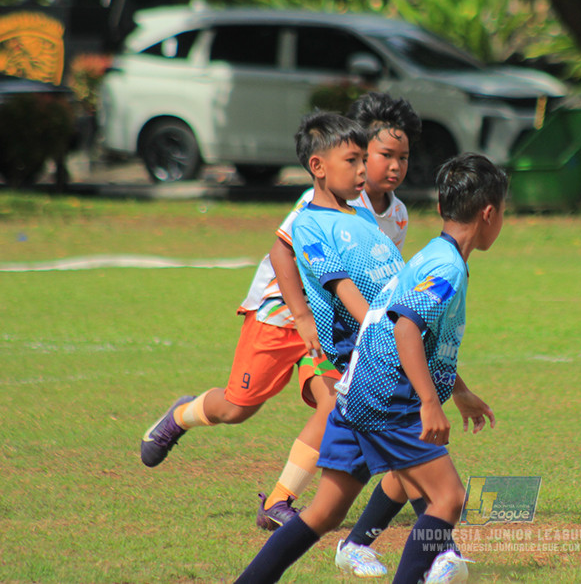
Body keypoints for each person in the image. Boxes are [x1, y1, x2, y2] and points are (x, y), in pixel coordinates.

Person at [139, 95, 421, 577]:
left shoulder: (393, 217)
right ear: (344, 157)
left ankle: (280, 500)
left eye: (401, 157)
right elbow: (283, 252)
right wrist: (302, 316)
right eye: (374, 156)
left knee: (337, 403)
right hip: (281, 314)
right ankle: (181, 414)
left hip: (333, 328)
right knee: (236, 408)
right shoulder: (317, 207)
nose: (388, 167)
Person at [234, 152, 507, 584]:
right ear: (490, 214)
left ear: (440, 208)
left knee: (324, 512)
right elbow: (406, 330)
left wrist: (460, 390)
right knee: (448, 499)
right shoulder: (447, 268)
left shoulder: (434, 254)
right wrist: (430, 403)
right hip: (387, 394)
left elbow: (408, 328)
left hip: (356, 387)